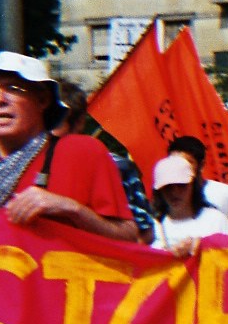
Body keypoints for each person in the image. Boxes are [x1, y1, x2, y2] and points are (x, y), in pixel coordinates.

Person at [0, 52, 136, 242]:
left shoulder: (80, 151)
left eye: (13, 88)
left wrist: (70, 209)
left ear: (42, 100)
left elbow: (128, 237)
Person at [56, 79, 155, 242]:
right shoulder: (26, 163)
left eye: (55, 121)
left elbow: (144, 234)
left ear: (79, 122)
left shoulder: (118, 166)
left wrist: (76, 212)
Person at [148, 154, 228, 255]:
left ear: (193, 185)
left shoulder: (215, 219)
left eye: (181, 186)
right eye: (168, 187)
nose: (174, 192)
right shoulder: (152, 227)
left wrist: (202, 247)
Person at [167, 135, 228, 227]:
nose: (179, 167)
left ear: (201, 165)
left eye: (186, 162)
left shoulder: (225, 193)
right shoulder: (167, 197)